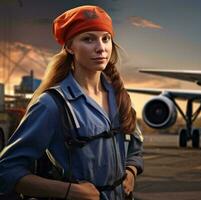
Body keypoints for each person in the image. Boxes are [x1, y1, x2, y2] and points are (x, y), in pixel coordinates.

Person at [0, 5, 143, 200]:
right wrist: (68, 191)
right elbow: (6, 171)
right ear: (69, 46)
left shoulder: (119, 96)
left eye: (105, 38)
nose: (101, 48)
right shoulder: (51, 104)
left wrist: (132, 170)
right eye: (88, 39)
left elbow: (134, 142)